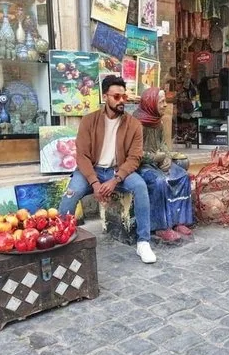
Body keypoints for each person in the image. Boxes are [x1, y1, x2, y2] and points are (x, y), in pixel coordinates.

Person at [59, 75, 157, 264]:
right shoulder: (89, 121)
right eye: (116, 97)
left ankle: (143, 242)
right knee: (71, 194)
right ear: (105, 97)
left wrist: (116, 179)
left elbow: (134, 158)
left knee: (140, 186)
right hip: (91, 171)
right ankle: (62, 242)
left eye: (124, 97)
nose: (122, 101)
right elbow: (82, 156)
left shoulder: (134, 125)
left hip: (117, 171)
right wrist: (95, 183)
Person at [133, 87, 195, 243]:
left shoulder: (157, 122)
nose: (165, 105)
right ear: (151, 103)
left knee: (182, 176)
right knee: (159, 182)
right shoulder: (137, 124)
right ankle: (160, 226)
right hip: (142, 166)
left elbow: (163, 144)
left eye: (165, 101)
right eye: (161, 102)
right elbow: (135, 153)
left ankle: (179, 221)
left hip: (158, 162)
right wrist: (154, 158)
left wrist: (166, 157)